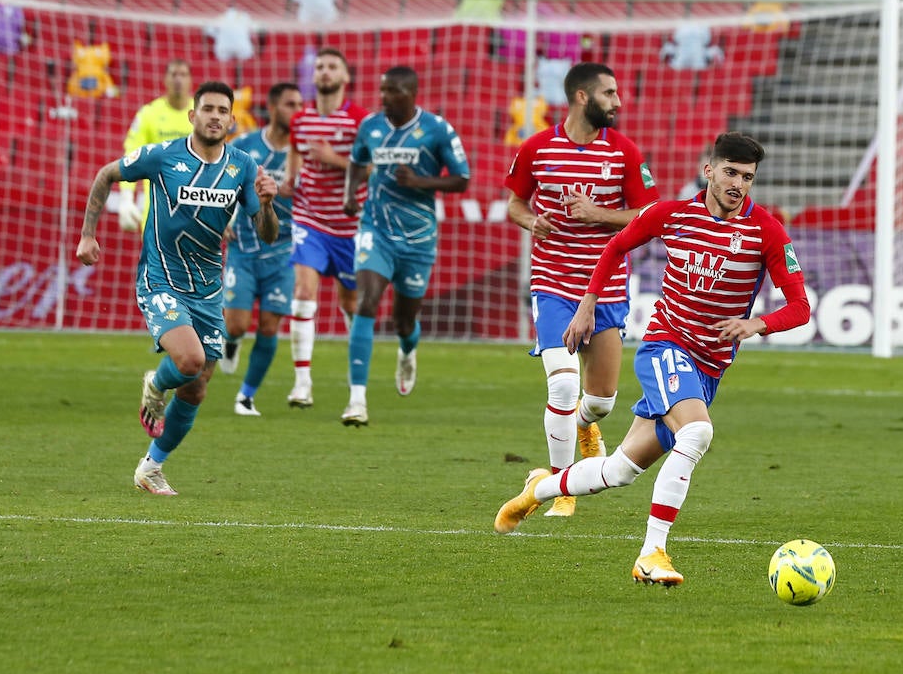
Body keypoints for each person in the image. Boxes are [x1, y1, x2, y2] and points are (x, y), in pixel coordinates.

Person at [494, 132, 812, 587]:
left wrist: (757, 323)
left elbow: (800, 307)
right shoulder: (671, 214)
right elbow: (617, 246)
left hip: (708, 369)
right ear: (709, 171)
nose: (738, 184)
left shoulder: (766, 231)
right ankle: (652, 552)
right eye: (730, 172)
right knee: (698, 431)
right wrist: (588, 303)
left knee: (619, 470)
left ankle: (538, 489)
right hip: (666, 346)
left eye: (747, 177)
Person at [75, 81, 278, 496]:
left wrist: (270, 204)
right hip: (160, 278)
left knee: (197, 386)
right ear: (193, 115)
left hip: (208, 288)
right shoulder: (163, 155)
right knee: (188, 360)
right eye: (208, 109)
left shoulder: (243, 167)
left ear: (233, 120)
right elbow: (106, 174)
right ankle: (154, 382)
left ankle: (151, 467)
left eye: (223, 110)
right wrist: (87, 236)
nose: (215, 116)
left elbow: (268, 235)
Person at [504, 62, 659, 518]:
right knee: (564, 386)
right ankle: (560, 487)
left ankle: (586, 429)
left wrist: (599, 216)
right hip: (552, 285)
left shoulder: (625, 152)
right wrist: (533, 221)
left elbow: (648, 216)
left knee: (600, 403)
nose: (618, 101)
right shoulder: (537, 148)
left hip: (607, 289)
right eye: (610, 93)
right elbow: (514, 202)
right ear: (583, 98)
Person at [339, 66, 471, 426]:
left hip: (417, 237)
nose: (384, 97)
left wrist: (419, 182)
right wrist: (351, 194)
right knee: (365, 301)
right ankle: (356, 401)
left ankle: (408, 349)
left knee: (403, 320)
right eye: (382, 90)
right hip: (375, 230)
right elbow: (355, 162)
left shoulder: (436, 130)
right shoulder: (370, 126)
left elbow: (462, 180)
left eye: (393, 91)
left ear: (411, 94)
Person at [284, 47, 371, 408]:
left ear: (345, 77)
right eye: (319, 66)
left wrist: (332, 159)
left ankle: (357, 375)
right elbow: (294, 149)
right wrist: (290, 177)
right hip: (309, 220)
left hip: (351, 225)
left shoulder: (360, 121)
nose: (324, 72)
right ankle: (302, 383)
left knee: (351, 301)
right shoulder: (301, 118)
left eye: (332, 66)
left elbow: (369, 168)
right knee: (304, 293)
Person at [218, 82, 304, 416]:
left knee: (269, 326)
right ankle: (231, 341)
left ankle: (246, 397)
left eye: (299, 105)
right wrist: (222, 217)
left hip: (283, 252)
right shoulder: (244, 146)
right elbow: (219, 183)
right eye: (289, 104)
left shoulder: (304, 155)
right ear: (271, 107)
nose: (295, 111)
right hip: (244, 247)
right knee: (237, 325)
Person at [117, 59, 194, 232]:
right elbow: (131, 155)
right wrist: (126, 197)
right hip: (156, 214)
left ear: (190, 80)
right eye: (173, 74)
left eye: (183, 75)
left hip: (195, 211)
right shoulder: (148, 115)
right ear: (165, 79)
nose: (178, 80)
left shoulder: (201, 115)